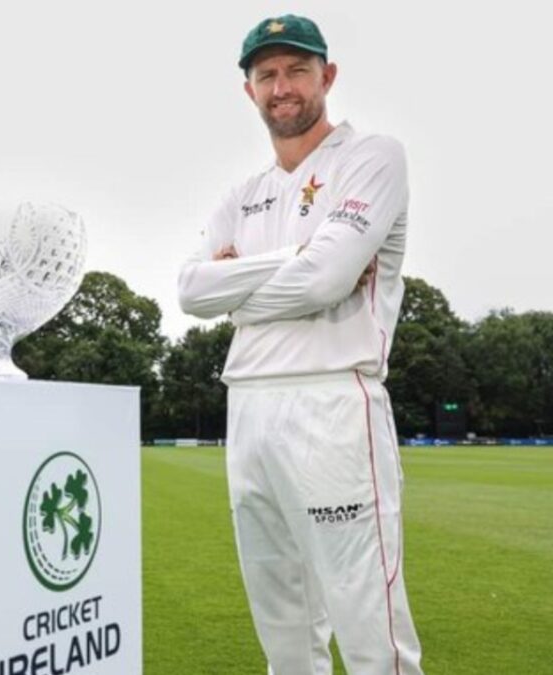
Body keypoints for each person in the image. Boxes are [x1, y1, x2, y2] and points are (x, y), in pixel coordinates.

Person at [178, 15, 423, 675]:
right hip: (249, 408)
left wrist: (237, 289)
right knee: (283, 631)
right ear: (250, 91)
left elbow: (327, 278)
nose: (282, 86)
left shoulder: (371, 156)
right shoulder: (243, 194)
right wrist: (293, 259)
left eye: (297, 70)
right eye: (267, 75)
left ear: (328, 76)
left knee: (370, 632)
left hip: (332, 401)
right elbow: (190, 292)